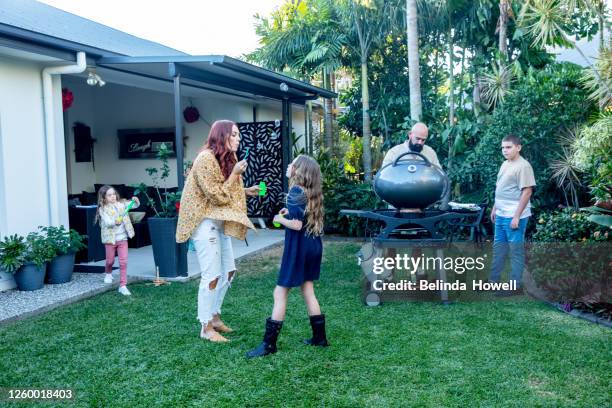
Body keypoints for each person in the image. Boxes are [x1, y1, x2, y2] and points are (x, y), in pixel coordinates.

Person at [176, 120, 260, 342]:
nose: (238, 139)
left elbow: (222, 189)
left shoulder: (224, 159)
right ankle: (205, 327)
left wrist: (244, 190)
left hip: (218, 220)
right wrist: (234, 175)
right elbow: (217, 195)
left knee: (229, 271)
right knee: (212, 274)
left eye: (238, 135)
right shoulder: (204, 159)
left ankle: (214, 316)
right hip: (203, 222)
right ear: (222, 136)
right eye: (234, 134)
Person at [247, 154, 327, 358]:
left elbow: (297, 225)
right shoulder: (309, 192)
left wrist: (278, 219)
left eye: (292, 163)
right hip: (313, 247)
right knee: (308, 290)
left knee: (280, 293)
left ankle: (269, 345)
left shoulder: (295, 190)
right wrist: (288, 214)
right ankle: (320, 338)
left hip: (299, 249)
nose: (289, 165)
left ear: (299, 170)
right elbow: (301, 216)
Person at [488, 134, 536, 296]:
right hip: (501, 213)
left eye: (508, 147)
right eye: (503, 147)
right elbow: (501, 188)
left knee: (515, 251)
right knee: (499, 249)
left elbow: (527, 192)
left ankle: (515, 287)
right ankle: (492, 282)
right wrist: (495, 207)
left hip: (514, 216)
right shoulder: (505, 164)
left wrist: (516, 216)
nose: (504, 150)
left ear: (518, 147)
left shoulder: (523, 166)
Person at [96, 185, 140, 296]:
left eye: (114, 194)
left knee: (123, 262)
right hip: (110, 239)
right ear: (104, 198)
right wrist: (115, 221)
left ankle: (123, 285)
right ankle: (108, 273)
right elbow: (107, 222)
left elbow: (133, 205)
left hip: (122, 238)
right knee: (110, 261)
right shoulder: (103, 209)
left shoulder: (121, 204)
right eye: (109, 195)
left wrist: (135, 201)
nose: (113, 197)